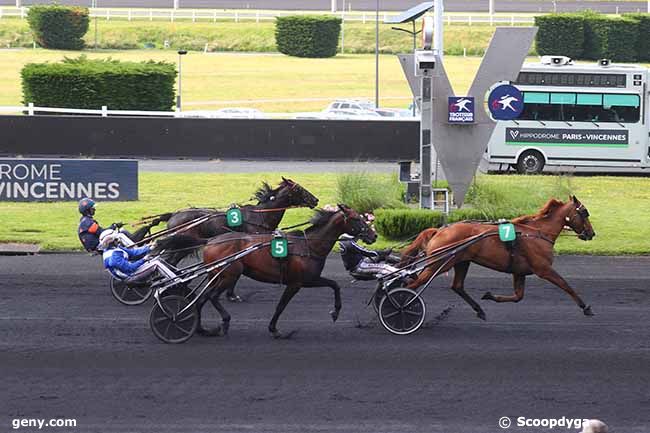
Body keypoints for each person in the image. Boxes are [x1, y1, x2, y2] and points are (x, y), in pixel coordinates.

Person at [98, 229, 174, 284]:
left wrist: (150, 247)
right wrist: (144, 259)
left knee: (157, 259)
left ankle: (173, 274)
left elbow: (133, 252)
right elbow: (130, 268)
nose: (118, 241)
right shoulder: (114, 256)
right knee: (156, 263)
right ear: (110, 242)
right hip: (130, 275)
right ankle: (175, 281)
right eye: (116, 239)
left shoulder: (114, 249)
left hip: (129, 271)